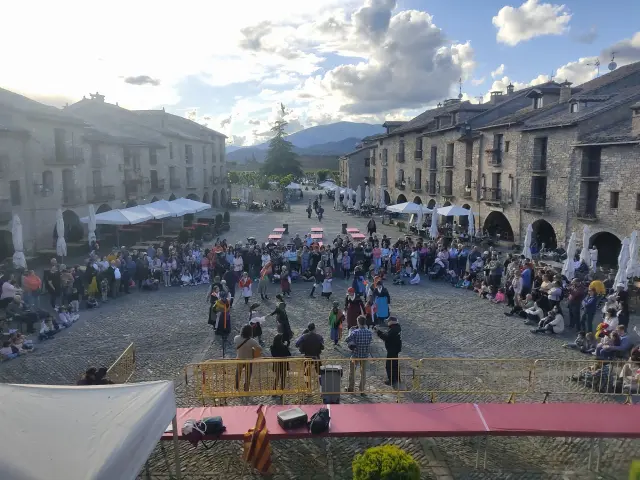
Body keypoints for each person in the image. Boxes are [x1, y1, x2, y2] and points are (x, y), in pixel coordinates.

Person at [345, 315, 373, 395]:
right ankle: (362, 390)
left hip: (355, 355)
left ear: (358, 322)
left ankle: (351, 388)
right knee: (363, 373)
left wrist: (350, 331)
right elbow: (370, 341)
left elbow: (347, 339)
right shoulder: (369, 333)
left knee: (352, 372)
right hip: (364, 355)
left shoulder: (355, 332)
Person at [374, 316, 402, 386]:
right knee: (395, 365)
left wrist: (378, 333)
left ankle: (391, 380)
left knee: (389, 366)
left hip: (392, 350)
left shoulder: (393, 330)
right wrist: (380, 332)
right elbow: (388, 335)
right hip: (395, 349)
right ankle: (397, 379)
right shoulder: (397, 328)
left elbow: (386, 337)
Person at [234, 324, 261, 391]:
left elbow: (236, 342)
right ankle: (246, 387)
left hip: (239, 358)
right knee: (248, 374)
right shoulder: (252, 341)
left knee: (238, 373)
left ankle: (236, 386)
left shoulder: (236, 338)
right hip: (248, 359)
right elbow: (259, 348)